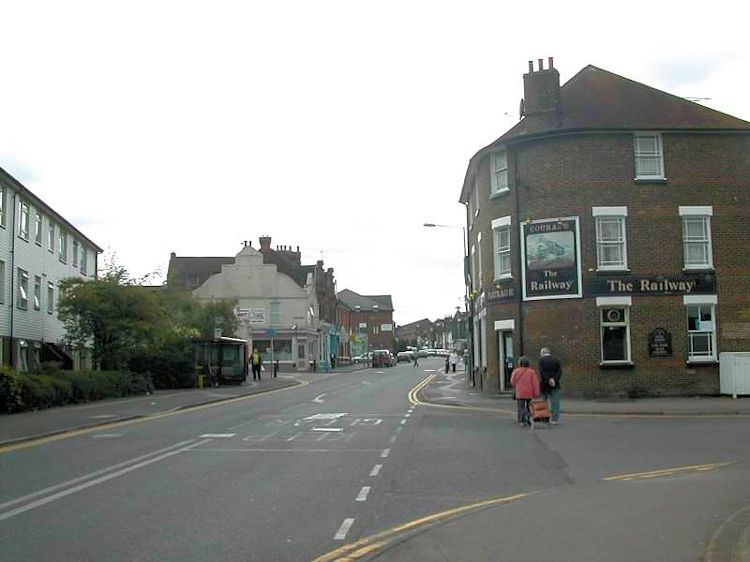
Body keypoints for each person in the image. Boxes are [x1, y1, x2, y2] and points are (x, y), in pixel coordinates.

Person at [510, 356, 540, 427]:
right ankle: (529, 419)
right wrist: (536, 393)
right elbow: (535, 383)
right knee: (529, 407)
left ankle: (521, 421)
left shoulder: (516, 371)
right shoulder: (531, 372)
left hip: (520, 392)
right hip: (529, 392)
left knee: (521, 407)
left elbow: (512, 381)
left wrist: (516, 386)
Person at [539, 347, 562, 424]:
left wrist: (548, 379)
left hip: (544, 385)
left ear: (542, 353)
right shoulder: (556, 360)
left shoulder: (541, 361)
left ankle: (545, 418)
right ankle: (554, 419)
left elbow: (542, 373)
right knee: (555, 402)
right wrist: (554, 379)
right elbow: (559, 372)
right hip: (555, 384)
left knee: (543, 402)